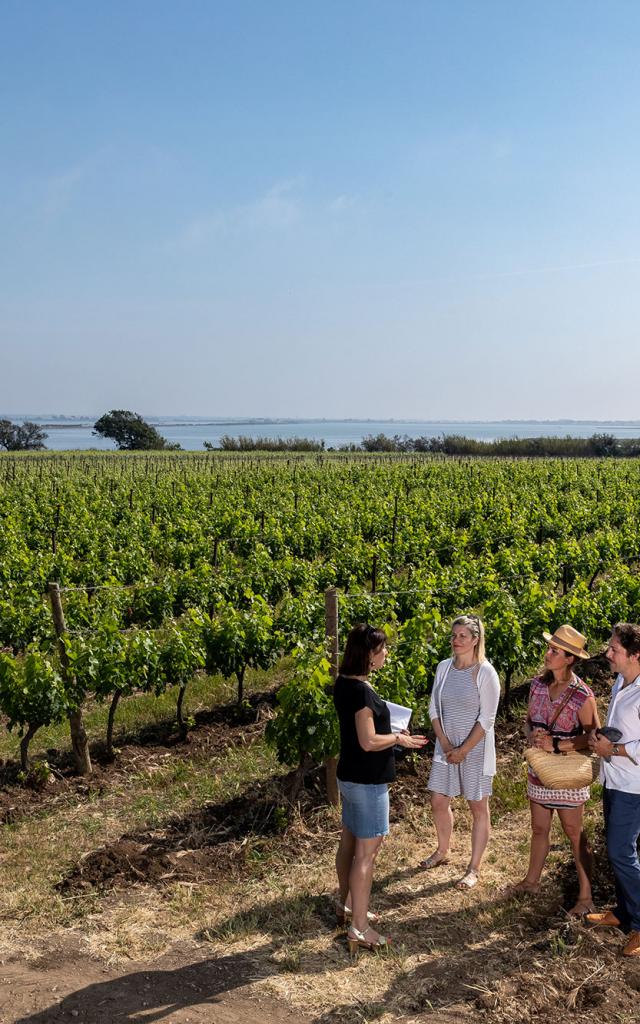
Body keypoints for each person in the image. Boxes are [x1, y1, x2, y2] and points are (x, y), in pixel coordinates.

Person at [333, 623, 428, 954]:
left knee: (349, 841)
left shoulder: (345, 684)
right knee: (366, 854)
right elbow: (369, 741)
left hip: (348, 775)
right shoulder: (361, 693)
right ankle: (360, 928)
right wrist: (399, 738)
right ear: (369, 656)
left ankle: (347, 904)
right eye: (382, 649)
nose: (386, 653)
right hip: (367, 782)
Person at [507, 624, 599, 915]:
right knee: (539, 828)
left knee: (574, 833)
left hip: (567, 775)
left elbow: (593, 736)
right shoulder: (537, 685)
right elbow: (528, 722)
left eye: (554, 651)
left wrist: (558, 745)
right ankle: (531, 881)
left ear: (570, 658)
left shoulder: (582, 695)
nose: (547, 654)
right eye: (549, 648)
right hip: (539, 770)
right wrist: (531, 734)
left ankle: (586, 898)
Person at [422, 614, 500, 889]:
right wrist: (443, 742)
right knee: (438, 801)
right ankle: (443, 851)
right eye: (453, 636)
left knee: (478, 806)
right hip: (446, 746)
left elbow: (487, 718)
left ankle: (474, 868)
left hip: (474, 749)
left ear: (475, 640)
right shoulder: (444, 668)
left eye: (462, 636)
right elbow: (433, 707)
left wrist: (464, 749)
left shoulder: (485, 672)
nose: (456, 641)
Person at [587, 622, 640, 956]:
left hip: (633, 786)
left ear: (636, 655)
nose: (607, 653)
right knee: (615, 849)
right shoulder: (622, 680)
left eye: (614, 649)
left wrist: (615, 750)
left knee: (622, 851)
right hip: (613, 780)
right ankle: (623, 912)